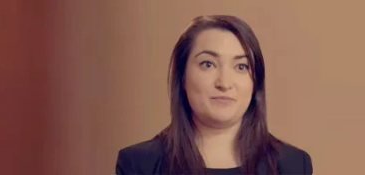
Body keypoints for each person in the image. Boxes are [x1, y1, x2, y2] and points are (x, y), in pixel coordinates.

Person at [115, 15, 313, 175]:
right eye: (208, 64)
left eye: (241, 66)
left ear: (255, 83)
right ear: (182, 77)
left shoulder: (292, 165)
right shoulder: (139, 164)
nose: (224, 83)